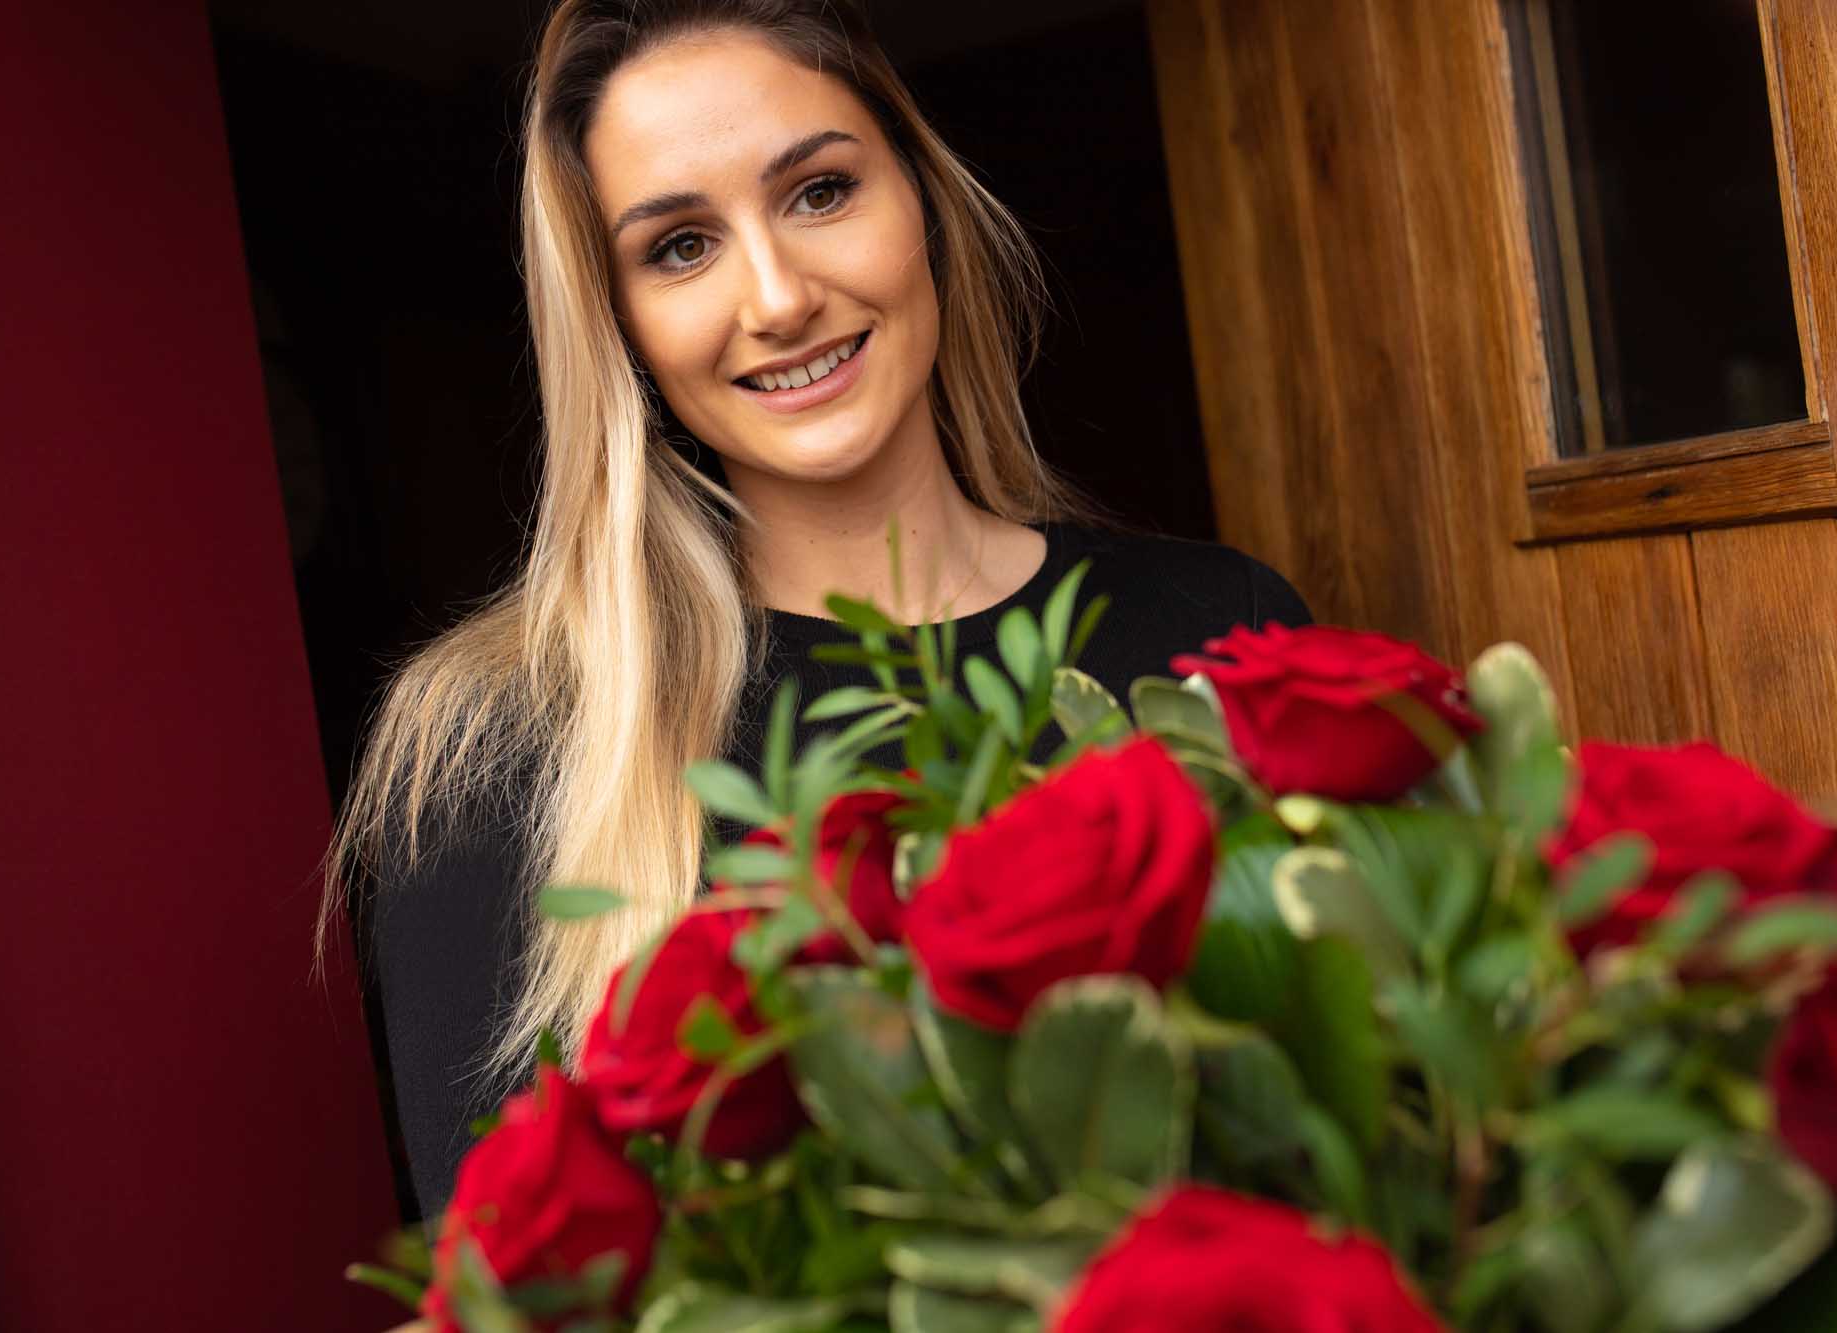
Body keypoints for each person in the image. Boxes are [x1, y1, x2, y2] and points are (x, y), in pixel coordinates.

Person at [325, 0, 1311, 1222]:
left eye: (819, 192)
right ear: (618, 324)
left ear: (922, 204)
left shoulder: (1224, 626)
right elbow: (511, 1282)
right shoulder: (500, 750)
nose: (778, 296)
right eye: (680, 246)